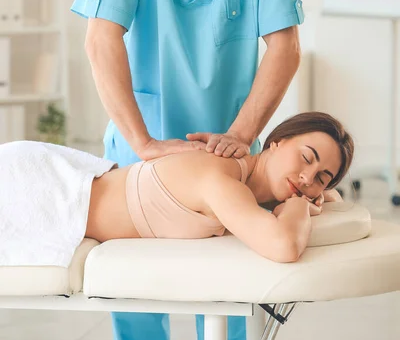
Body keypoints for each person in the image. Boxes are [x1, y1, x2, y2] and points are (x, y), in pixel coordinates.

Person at [71, 0, 305, 340]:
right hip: (141, 149)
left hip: (227, 153)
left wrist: (242, 135)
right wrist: (145, 142)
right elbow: (101, 38)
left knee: (227, 297)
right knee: (135, 298)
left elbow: (285, 46)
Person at [0, 112, 354, 270]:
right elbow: (284, 246)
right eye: (307, 158)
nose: (308, 179)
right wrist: (297, 207)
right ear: (277, 142)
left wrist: (312, 197)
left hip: (61, 183)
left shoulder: (243, 183)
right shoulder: (221, 177)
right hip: (39, 186)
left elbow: (333, 200)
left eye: (323, 177)